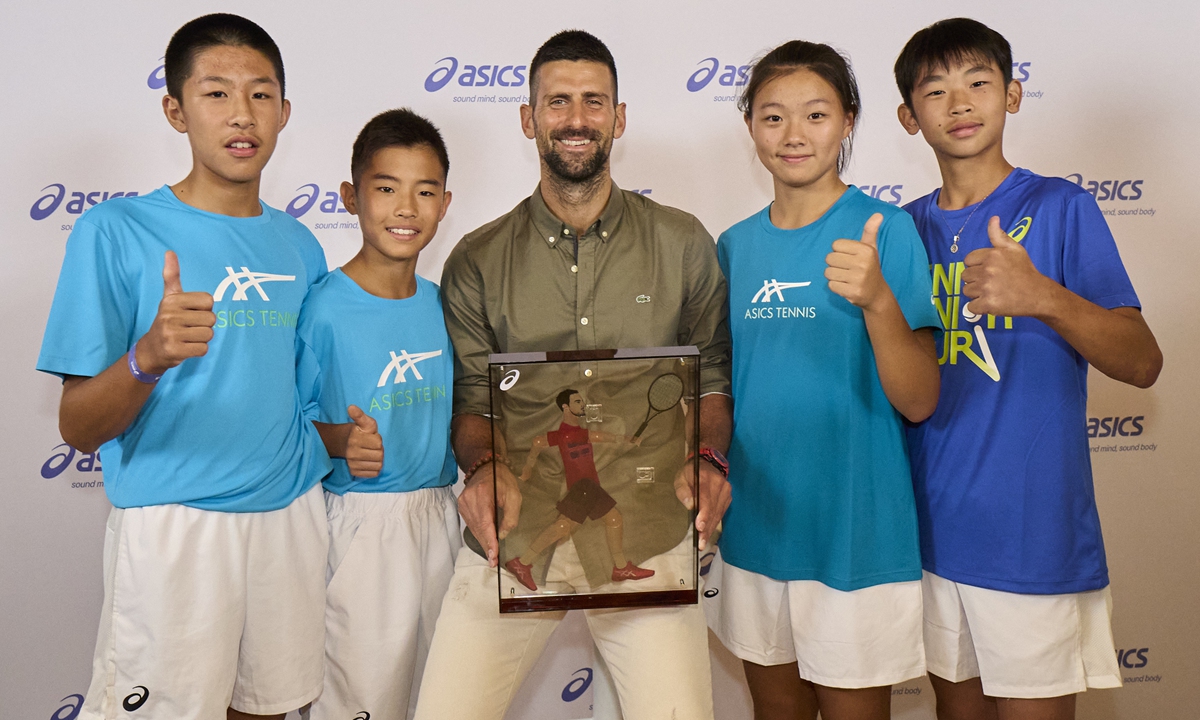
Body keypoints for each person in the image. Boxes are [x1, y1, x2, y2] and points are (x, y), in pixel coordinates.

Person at [412, 29, 733, 720]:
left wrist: (707, 457)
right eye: (558, 102)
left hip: (649, 529)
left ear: (619, 117)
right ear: (528, 118)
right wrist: (482, 469)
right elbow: (472, 404)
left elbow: (711, 380)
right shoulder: (476, 259)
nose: (576, 119)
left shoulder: (682, 242)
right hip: (512, 534)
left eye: (594, 101)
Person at [36, 14, 331, 720]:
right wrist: (148, 357)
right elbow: (77, 428)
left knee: (266, 710)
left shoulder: (302, 246)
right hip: (176, 530)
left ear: (285, 111)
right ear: (175, 110)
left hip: (288, 521)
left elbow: (297, 399)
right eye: (216, 93)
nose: (242, 114)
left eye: (260, 94)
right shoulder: (115, 231)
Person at [894, 18, 1163, 720]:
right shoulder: (901, 229)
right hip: (927, 534)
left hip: (1031, 538)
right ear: (908, 116)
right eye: (935, 90)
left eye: (978, 82)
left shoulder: (1062, 207)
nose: (959, 103)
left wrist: (1043, 296)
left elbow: (1142, 361)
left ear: (1012, 95)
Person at [702, 40, 942, 720]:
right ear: (751, 126)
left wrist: (879, 301)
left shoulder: (886, 231)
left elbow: (921, 399)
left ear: (848, 122)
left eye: (815, 114)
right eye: (773, 116)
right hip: (756, 529)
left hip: (855, 535)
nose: (793, 134)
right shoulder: (733, 246)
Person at [296, 109, 459, 720]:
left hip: (441, 518)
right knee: (358, 700)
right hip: (358, 527)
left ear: (445, 204)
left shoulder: (445, 306)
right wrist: (339, 440)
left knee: (441, 698)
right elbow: (283, 425)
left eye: (425, 191)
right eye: (386, 188)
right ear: (351, 196)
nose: (406, 208)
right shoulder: (322, 309)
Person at [506, 388, 650, 591]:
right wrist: (527, 469)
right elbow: (541, 441)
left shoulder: (575, 433)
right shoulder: (566, 434)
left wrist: (626, 440)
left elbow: (598, 436)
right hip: (582, 488)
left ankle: (620, 568)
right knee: (564, 526)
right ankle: (522, 563)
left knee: (613, 519)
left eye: (581, 401)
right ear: (565, 407)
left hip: (590, 486)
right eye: (577, 402)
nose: (582, 405)